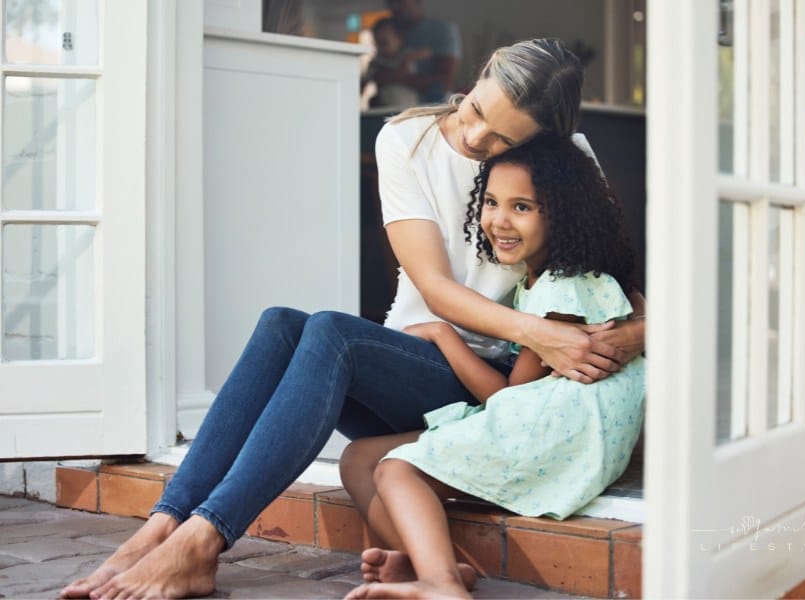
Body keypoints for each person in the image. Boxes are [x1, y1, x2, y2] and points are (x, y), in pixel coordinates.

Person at [60, 38, 645, 599]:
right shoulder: (407, 140)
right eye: (475, 110)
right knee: (281, 325)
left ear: (540, 146)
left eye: (500, 141)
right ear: (477, 78)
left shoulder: (567, 163)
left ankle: (204, 537)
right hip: (422, 360)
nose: (474, 136)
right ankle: (166, 523)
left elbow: (623, 286)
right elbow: (435, 288)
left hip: (493, 381)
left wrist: (630, 335)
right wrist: (542, 332)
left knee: (331, 333)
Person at [341, 134, 645, 599]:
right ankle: (435, 567)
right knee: (358, 458)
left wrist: (443, 334)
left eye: (522, 207)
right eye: (491, 202)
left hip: (558, 443)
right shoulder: (556, 281)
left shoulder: (562, 292)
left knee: (397, 471)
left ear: (561, 216)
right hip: (547, 429)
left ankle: (442, 585)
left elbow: (506, 398)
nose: (498, 220)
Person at [374, 0, 461, 103]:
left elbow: (445, 82)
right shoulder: (388, 30)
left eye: (400, 1)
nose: (394, 6)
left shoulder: (442, 30)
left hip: (433, 106)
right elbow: (375, 75)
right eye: (390, 2)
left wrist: (396, 76)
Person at [362, 17, 432, 108]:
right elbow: (362, 84)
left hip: (412, 107)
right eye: (377, 43)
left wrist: (408, 59)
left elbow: (427, 52)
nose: (380, 47)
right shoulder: (376, 63)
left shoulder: (407, 55)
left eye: (384, 42)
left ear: (399, 39)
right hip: (387, 109)